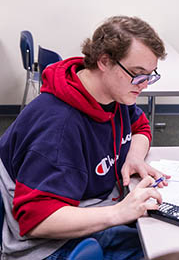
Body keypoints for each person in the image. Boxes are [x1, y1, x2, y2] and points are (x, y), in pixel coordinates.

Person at [0, 16, 170, 259]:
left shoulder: (113, 95)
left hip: (94, 206)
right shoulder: (58, 128)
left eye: (150, 75)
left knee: (164, 236)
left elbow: (140, 126)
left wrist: (134, 156)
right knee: (163, 250)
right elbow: (37, 219)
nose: (144, 85)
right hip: (49, 244)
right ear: (104, 61)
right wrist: (120, 213)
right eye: (137, 74)